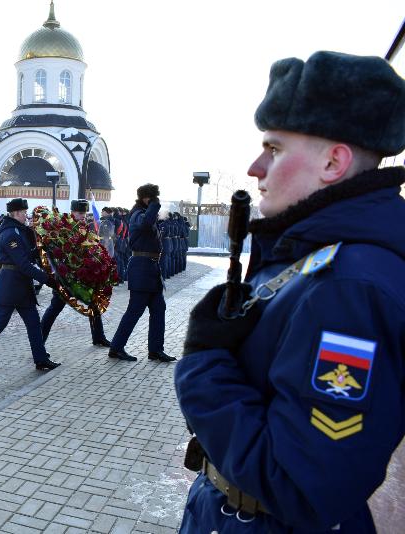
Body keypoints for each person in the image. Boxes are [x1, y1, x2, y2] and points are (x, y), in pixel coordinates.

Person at [175, 51, 405, 533]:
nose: (255, 167)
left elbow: (301, 486)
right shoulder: (313, 257)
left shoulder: (348, 288)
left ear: (333, 162)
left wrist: (204, 364)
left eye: (274, 149)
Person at [0, 198, 61, 372]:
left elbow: (26, 255)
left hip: (21, 285)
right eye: (24, 213)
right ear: (16, 213)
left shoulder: (18, 231)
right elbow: (23, 264)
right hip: (11, 284)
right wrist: (48, 280)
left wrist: (42, 249)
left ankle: (41, 359)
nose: (26, 216)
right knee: (0, 322)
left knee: (34, 323)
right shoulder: (10, 233)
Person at [107, 185, 175, 363]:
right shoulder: (137, 214)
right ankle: (116, 347)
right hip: (141, 268)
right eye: (152, 198)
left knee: (159, 309)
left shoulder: (145, 213)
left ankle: (156, 350)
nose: (155, 202)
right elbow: (145, 224)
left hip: (151, 268)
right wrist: (154, 205)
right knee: (134, 310)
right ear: (146, 198)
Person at [40, 199, 111, 348]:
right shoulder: (62, 228)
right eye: (80, 213)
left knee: (94, 304)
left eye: (84, 214)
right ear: (72, 212)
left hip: (84, 276)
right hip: (66, 278)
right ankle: (38, 342)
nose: (83, 216)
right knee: (55, 308)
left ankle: (98, 337)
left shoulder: (86, 228)